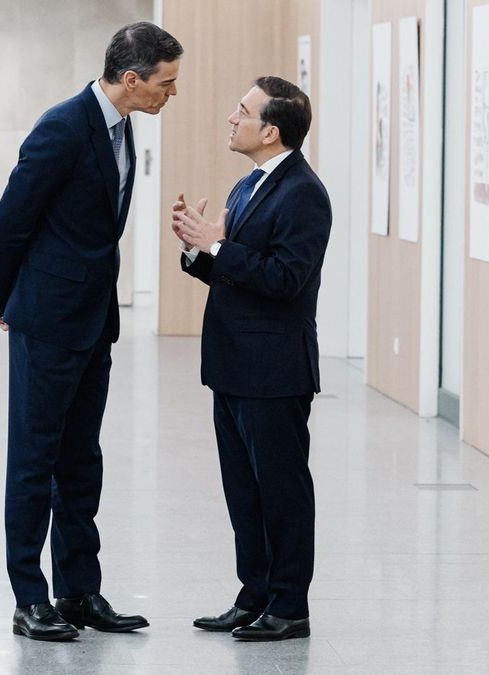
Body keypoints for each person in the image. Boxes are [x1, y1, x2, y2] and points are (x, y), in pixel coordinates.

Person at [0, 21, 182, 642]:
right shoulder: (63, 127)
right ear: (132, 79)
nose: (170, 95)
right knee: (34, 459)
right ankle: (28, 597)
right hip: (46, 319)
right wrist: (2, 298)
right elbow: (9, 222)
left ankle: (78, 591)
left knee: (81, 460)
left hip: (94, 321)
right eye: (165, 84)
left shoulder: (121, 129)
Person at [171, 76, 332, 642]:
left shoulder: (303, 193)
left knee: (281, 490)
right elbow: (237, 270)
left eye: (242, 111)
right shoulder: (248, 186)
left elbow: (286, 279)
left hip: (275, 369)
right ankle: (255, 594)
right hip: (234, 365)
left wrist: (220, 247)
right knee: (243, 489)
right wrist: (199, 250)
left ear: (271, 129)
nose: (230, 118)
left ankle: (290, 604)